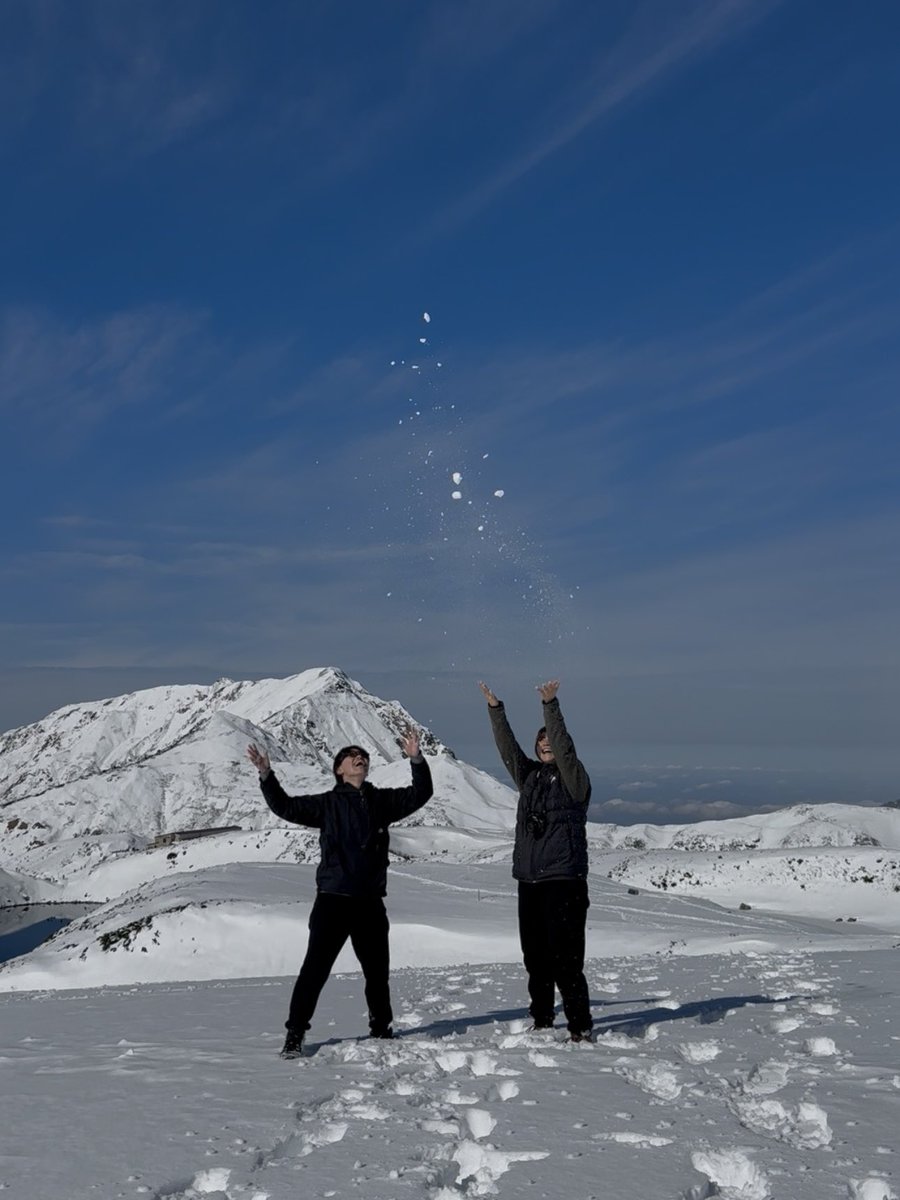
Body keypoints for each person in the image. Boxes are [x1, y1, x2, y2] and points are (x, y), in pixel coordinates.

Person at [247, 731, 433, 1058]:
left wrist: (416, 760)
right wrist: (266, 774)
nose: (359, 757)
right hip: (333, 899)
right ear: (339, 770)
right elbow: (285, 806)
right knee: (314, 970)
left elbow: (421, 793)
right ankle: (295, 1034)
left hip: (370, 902)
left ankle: (381, 1029)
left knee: (377, 973)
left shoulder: (381, 801)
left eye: (363, 755)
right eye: (351, 755)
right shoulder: (327, 805)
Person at [479, 678, 593, 1042]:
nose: (546, 743)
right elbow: (508, 750)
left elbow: (564, 747)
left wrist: (550, 707)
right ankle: (542, 1018)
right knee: (535, 958)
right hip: (529, 881)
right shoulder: (529, 778)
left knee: (566, 959)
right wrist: (496, 712)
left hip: (564, 879)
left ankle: (580, 1026)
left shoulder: (575, 780)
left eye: (551, 740)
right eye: (540, 740)